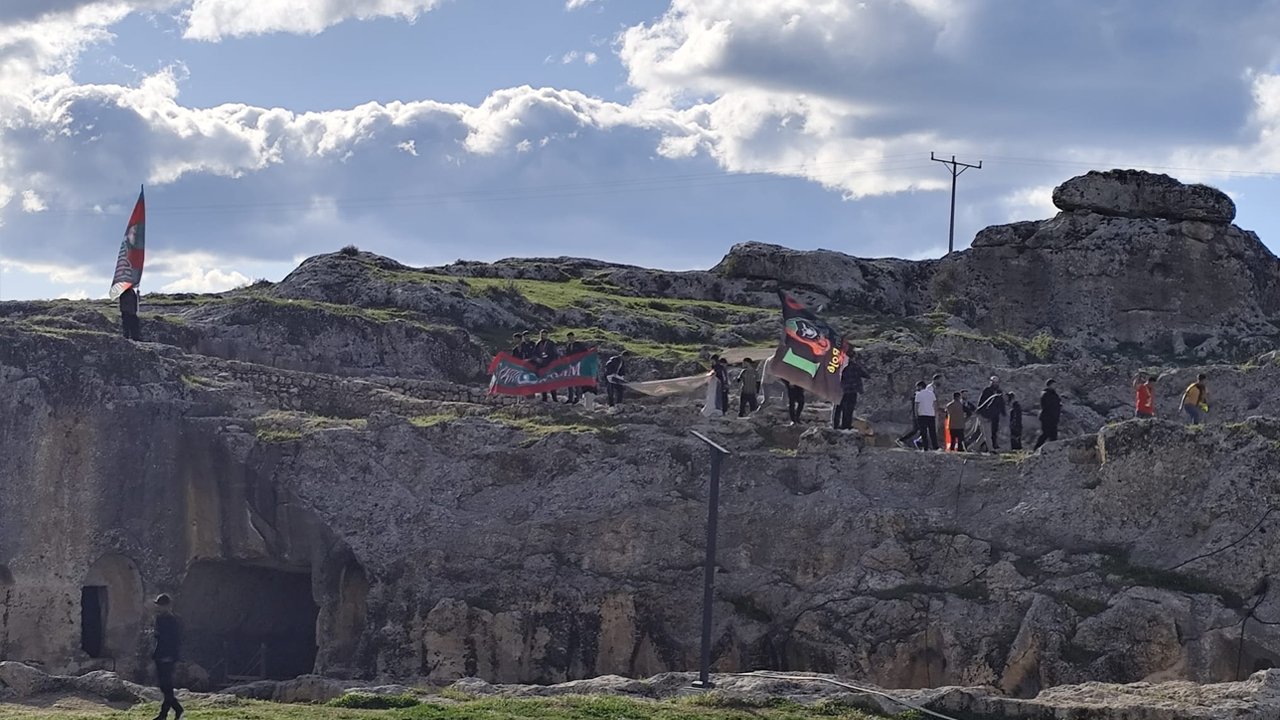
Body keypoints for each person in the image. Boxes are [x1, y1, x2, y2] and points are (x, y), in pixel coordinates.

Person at [151, 593, 183, 720]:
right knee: (163, 686)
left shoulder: (173, 620)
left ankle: (164, 714)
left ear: (168, 606)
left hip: (168, 656)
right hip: (160, 655)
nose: (159, 607)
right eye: (159, 605)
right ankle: (176, 709)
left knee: (167, 685)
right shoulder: (159, 619)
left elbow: (175, 640)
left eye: (162, 605)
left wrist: (171, 656)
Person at [833, 351, 871, 430]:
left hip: (840, 390)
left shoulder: (839, 365)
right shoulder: (855, 366)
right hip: (852, 391)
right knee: (849, 409)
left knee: (838, 408)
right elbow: (866, 375)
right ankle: (846, 425)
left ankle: (835, 425)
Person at [978, 376, 1006, 452]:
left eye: (997, 382)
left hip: (995, 415)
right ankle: (988, 448)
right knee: (986, 432)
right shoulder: (987, 390)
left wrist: (1003, 413)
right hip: (986, 415)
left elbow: (1001, 403)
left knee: (994, 431)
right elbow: (982, 402)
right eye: (994, 382)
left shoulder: (999, 391)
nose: (995, 384)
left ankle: (992, 446)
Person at [1034, 379, 1061, 450]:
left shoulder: (1053, 394)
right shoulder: (1046, 394)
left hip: (1053, 418)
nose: (1055, 386)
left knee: (1053, 435)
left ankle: (1054, 450)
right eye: (1054, 384)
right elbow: (1047, 406)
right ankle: (1036, 448)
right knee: (1046, 434)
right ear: (1049, 385)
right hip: (1047, 418)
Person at [561, 332, 589, 404]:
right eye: (569, 338)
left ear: (574, 337)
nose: (570, 339)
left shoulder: (579, 345)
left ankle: (577, 398)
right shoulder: (568, 346)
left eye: (571, 337)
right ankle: (570, 398)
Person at [533, 330, 560, 402]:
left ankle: (554, 398)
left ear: (547, 335)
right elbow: (534, 354)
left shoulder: (551, 343)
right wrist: (537, 359)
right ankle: (544, 398)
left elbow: (555, 354)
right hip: (541, 366)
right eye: (542, 335)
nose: (543, 336)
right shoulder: (538, 344)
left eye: (544, 335)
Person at [913, 380, 938, 450]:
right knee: (932, 432)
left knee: (923, 432)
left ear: (920, 386)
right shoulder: (931, 393)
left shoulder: (918, 394)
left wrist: (916, 415)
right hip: (931, 415)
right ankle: (935, 447)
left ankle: (925, 447)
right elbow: (935, 404)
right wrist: (935, 413)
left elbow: (916, 405)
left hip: (922, 415)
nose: (916, 388)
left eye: (917, 387)